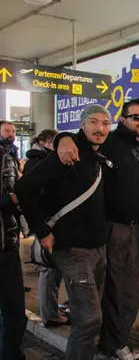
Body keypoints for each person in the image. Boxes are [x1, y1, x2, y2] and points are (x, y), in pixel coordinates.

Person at [56, 98, 139, 360]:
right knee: (113, 293)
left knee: (130, 291)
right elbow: (79, 140)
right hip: (111, 229)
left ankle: (115, 342)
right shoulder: (109, 142)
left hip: (135, 229)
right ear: (123, 120)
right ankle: (109, 346)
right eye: (136, 117)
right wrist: (62, 138)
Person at [16, 105, 113, 360]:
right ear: (82, 125)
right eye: (93, 122)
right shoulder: (70, 152)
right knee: (90, 318)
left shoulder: (99, 155)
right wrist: (41, 229)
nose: (100, 128)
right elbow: (25, 187)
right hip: (73, 249)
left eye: (105, 123)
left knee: (89, 318)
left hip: (98, 248)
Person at [23, 129, 71, 328]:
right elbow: (31, 193)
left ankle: (50, 310)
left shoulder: (40, 159)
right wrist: (42, 227)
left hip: (49, 223)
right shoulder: (41, 162)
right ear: (44, 142)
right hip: (49, 224)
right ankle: (50, 314)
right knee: (50, 270)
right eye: (54, 141)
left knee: (51, 270)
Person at [0, 120, 27, 360]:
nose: (11, 134)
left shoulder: (7, 156)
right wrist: (14, 199)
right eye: (7, 130)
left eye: (13, 131)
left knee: (15, 312)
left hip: (8, 244)